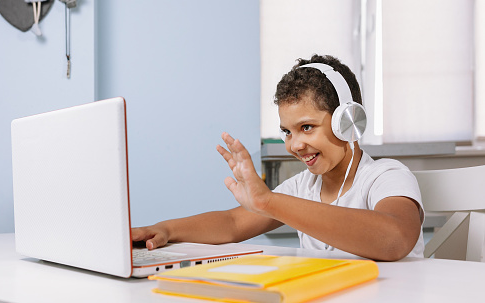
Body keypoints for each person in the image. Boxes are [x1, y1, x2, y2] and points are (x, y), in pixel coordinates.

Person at [132, 54, 425, 261]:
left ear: (347, 121)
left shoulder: (386, 176)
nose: (294, 145)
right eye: (287, 131)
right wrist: (166, 229)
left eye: (306, 127)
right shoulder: (303, 187)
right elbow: (233, 224)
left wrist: (268, 202)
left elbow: (395, 239)